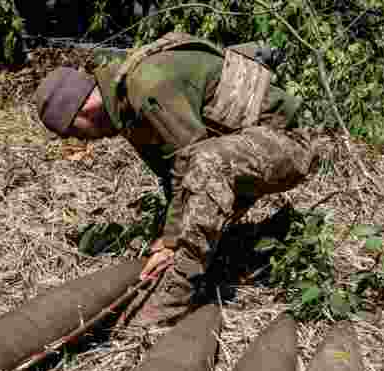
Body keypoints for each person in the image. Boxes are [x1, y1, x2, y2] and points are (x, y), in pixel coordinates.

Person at [33, 32, 317, 326]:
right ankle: (222, 252)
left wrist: (172, 244)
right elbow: (172, 173)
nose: (83, 141)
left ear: (84, 110)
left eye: (76, 132)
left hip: (291, 142)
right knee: (198, 181)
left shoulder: (144, 88)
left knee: (206, 162)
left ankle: (176, 294)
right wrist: (169, 235)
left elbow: (191, 161)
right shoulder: (125, 103)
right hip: (248, 144)